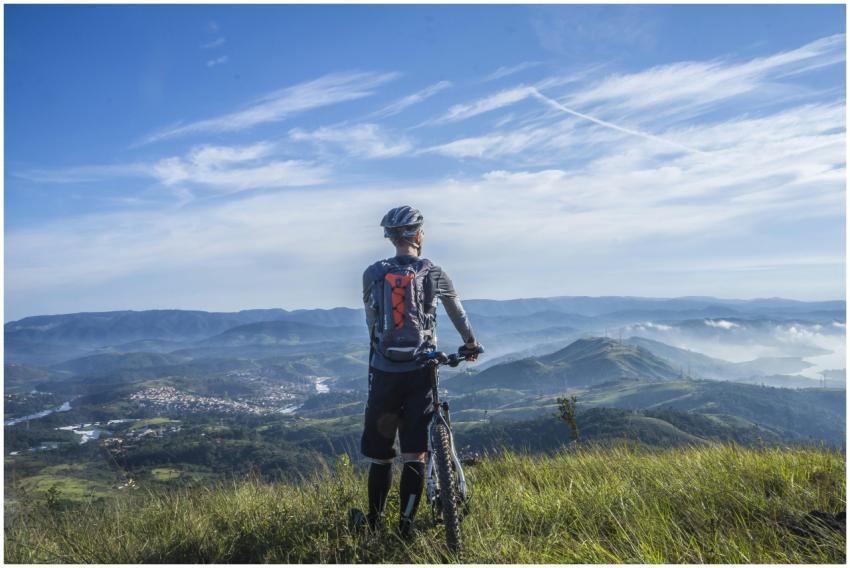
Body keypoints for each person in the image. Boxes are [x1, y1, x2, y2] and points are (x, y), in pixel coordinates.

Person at [349, 205, 481, 539]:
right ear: (419, 235)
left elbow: (371, 323)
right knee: (415, 454)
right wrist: (470, 344)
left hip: (383, 371)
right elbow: (458, 314)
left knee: (380, 458)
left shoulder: (372, 274)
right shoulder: (434, 272)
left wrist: (381, 356)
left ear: (390, 237)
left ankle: (374, 526)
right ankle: (405, 527)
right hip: (422, 370)